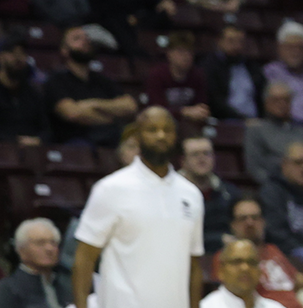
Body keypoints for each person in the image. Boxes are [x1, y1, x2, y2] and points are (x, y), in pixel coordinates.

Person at [73, 107, 205, 308]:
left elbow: (194, 266)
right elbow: (84, 258)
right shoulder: (111, 188)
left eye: (167, 130)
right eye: (152, 130)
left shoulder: (191, 194)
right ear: (138, 136)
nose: (161, 136)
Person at [45, 24, 137, 145]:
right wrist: (112, 117)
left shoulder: (102, 80)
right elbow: (72, 113)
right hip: (75, 143)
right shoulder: (57, 80)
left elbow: (130, 105)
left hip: (111, 138)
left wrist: (93, 104)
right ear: (64, 50)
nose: (85, 41)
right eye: (77, 39)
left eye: (86, 38)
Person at [211, 198, 301, 308]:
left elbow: (298, 282)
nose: (250, 223)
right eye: (243, 218)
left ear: (263, 222)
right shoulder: (226, 257)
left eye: (255, 218)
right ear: (233, 225)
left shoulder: (273, 250)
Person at [245, 81, 303, 183]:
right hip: (273, 187)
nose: (281, 104)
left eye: (286, 100)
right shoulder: (256, 130)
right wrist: (273, 187)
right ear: (266, 102)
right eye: (276, 100)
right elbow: (255, 167)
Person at [180, 136, 237, 256]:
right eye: (195, 154)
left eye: (206, 153)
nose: (201, 159)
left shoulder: (230, 193)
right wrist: (217, 239)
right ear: (183, 161)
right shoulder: (171, 194)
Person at [146, 30, 213, 126]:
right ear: (169, 53)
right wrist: (183, 112)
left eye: (189, 52)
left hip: (189, 125)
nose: (186, 56)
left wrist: (201, 112)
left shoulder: (198, 76)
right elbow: (156, 108)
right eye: (180, 51)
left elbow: (202, 104)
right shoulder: (157, 75)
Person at [0, 218, 71, 308]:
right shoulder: (8, 290)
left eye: (53, 243)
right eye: (40, 243)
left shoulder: (67, 284)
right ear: (21, 250)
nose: (49, 248)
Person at [205, 23, 264, 121]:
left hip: (255, 122)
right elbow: (215, 102)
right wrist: (242, 119)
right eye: (231, 41)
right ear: (219, 41)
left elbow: (261, 95)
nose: (236, 46)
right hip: (225, 122)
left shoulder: (251, 67)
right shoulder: (210, 66)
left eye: (240, 41)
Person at [0, 33, 45, 143]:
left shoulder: (33, 93)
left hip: (33, 152)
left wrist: (38, 140)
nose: (18, 58)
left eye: (22, 53)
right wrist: (15, 141)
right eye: (12, 53)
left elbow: (46, 129)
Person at [202, 237, 266, 308]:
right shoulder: (206, 306)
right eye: (237, 262)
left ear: (260, 271)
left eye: (252, 262)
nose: (245, 268)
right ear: (221, 271)